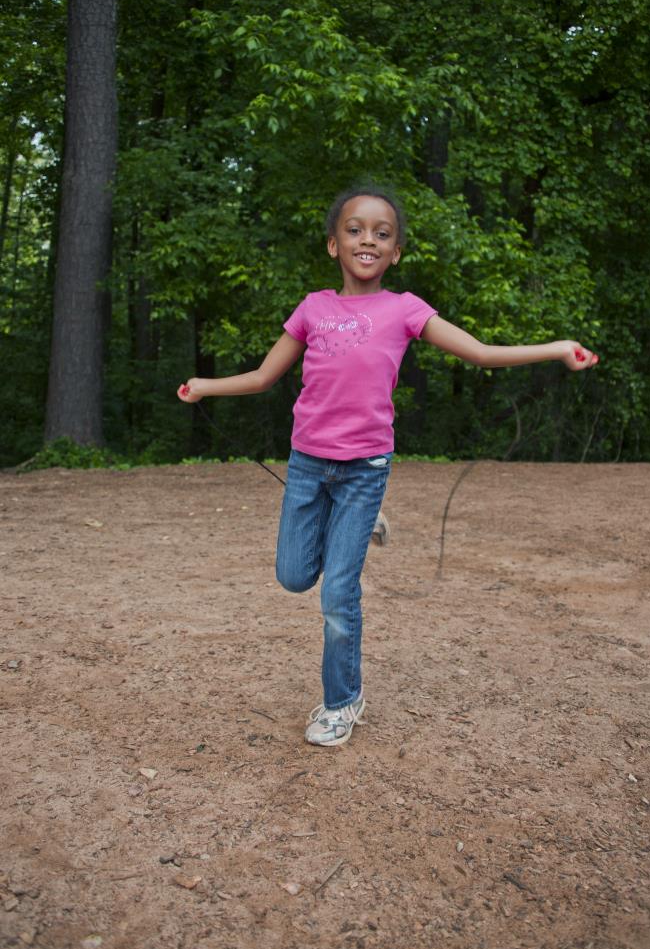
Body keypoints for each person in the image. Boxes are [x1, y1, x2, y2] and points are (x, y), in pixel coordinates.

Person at [178, 186, 598, 747]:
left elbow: (480, 352)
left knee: (336, 594)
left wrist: (556, 347)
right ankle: (360, 530)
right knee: (294, 576)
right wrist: (206, 386)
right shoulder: (312, 308)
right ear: (334, 244)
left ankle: (341, 700)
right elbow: (261, 377)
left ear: (395, 252)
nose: (367, 239)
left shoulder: (404, 309)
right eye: (355, 229)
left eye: (381, 232)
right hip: (306, 465)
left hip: (363, 471)